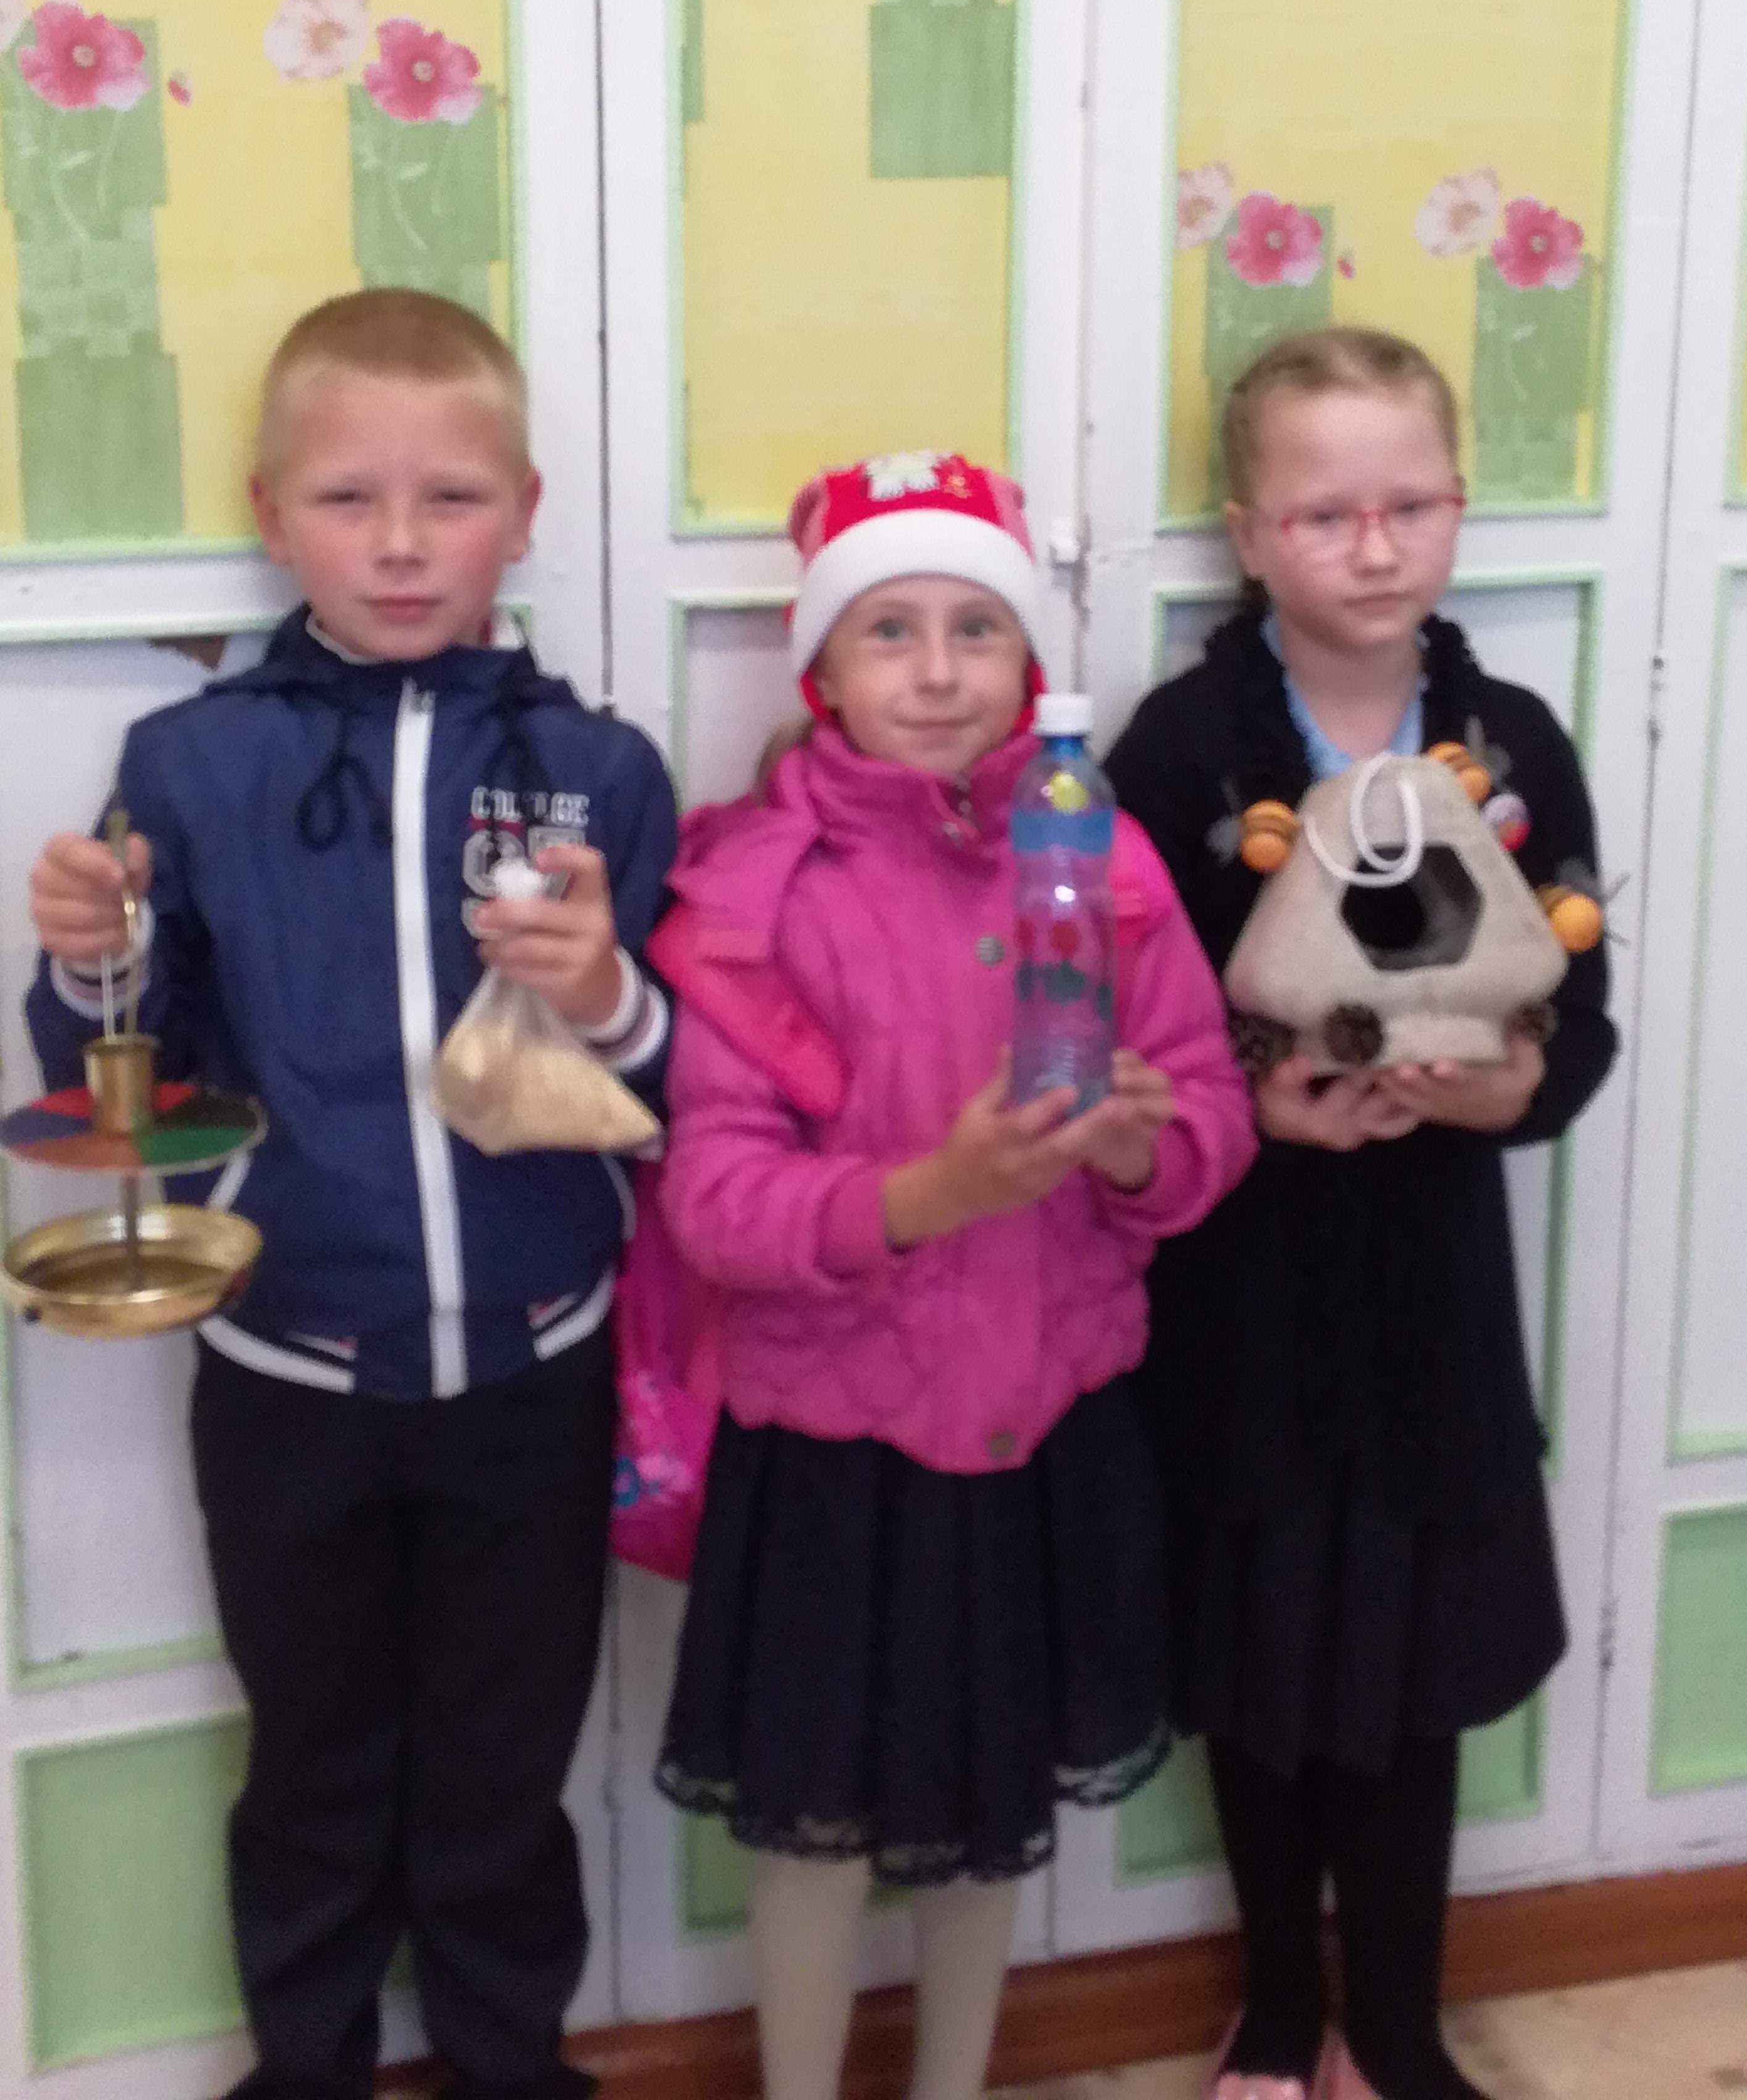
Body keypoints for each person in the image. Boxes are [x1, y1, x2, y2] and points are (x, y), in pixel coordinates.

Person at [27, 288, 678, 2100]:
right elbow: (130, 1068)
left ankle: (507, 2062)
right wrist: (90, 956)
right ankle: (303, 2067)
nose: (401, 544)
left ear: (524, 513)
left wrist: (606, 996)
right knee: (312, 1765)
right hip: (286, 1365)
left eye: (451, 498)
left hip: (535, 1366)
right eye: (347, 499)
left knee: (502, 1769)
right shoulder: (194, 762)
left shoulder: (600, 772)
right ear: (270, 515)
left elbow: (674, 1085)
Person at [650, 452, 1256, 2100]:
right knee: (817, 1829)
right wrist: (926, 1195)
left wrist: (1133, 1153)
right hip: (836, 1446)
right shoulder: (761, 890)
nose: (938, 670)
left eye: (977, 628)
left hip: (1044, 1425)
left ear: (1030, 661)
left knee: (992, 1820)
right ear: (824, 672)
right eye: (892, 630)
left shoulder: (1107, 863)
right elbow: (716, 1198)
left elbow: (1210, 1114)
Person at [1105, 330, 1617, 2100]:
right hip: (1246, 1283)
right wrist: (1253, 1103)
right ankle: (1272, 2005)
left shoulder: (1512, 743)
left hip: (1431, 1290)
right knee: (1261, 1664)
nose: (1375, 545)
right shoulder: (1184, 749)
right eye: (1326, 514)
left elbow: (1578, 1009)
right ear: (1250, 536)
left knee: (1409, 1673)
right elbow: (1137, 1022)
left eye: (1411, 504)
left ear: (1460, 508)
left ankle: (1391, 2026)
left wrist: (1513, 1089)